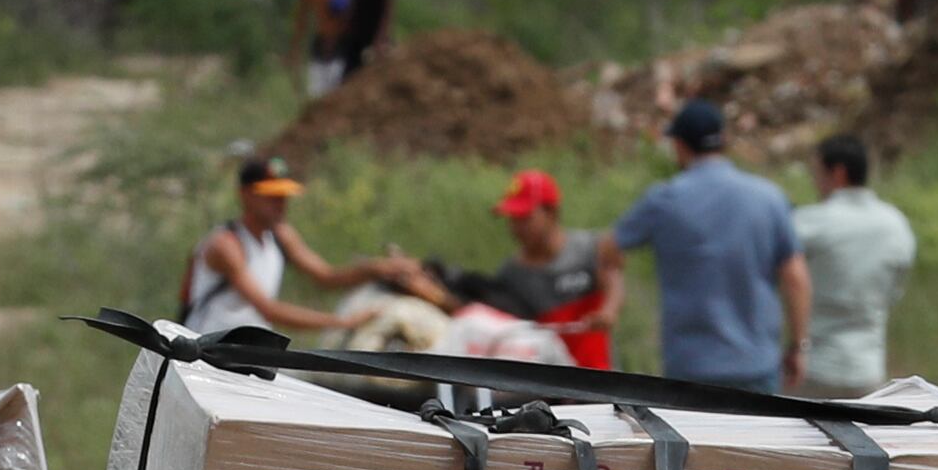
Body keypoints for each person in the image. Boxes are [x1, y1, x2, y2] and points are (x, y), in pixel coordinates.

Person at [610, 93, 810, 394]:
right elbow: (796, 279)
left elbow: (608, 248)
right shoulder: (769, 198)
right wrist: (798, 346)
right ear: (724, 140)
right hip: (756, 365)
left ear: (679, 145)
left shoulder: (664, 200)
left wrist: (610, 300)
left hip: (690, 368)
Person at [180, 150, 428, 337]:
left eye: (283, 196)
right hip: (207, 353)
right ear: (245, 195)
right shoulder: (226, 244)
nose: (281, 203)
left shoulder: (281, 235)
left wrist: (377, 268)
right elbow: (267, 309)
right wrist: (342, 323)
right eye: (271, 196)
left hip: (245, 351)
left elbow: (326, 277)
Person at [791, 129, 919, 399]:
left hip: (815, 366)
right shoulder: (895, 224)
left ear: (837, 173)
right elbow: (895, 291)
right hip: (867, 368)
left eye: (817, 173)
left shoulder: (811, 221)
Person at [448, 165, 619, 364]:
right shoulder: (512, 274)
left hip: (599, 378)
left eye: (525, 218)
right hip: (547, 385)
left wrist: (609, 311)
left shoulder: (589, 249)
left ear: (551, 213)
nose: (516, 227)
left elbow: (613, 277)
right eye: (512, 219)